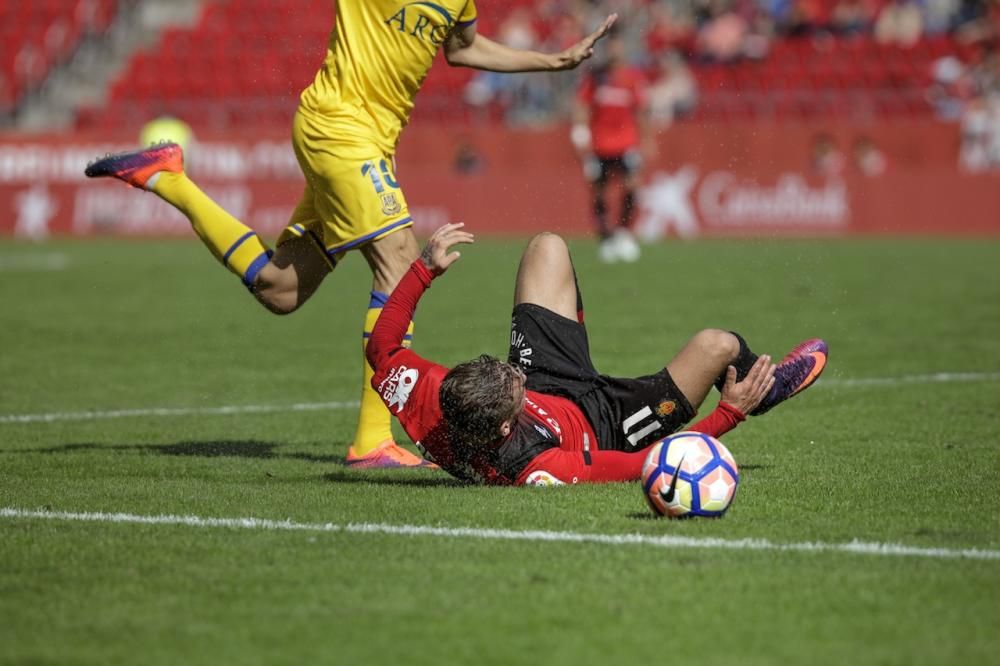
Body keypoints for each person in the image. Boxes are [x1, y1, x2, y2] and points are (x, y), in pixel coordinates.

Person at [85, 3, 618, 469]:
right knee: (401, 258)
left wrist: (554, 62)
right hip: (338, 128)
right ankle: (372, 441)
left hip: (368, 142)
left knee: (280, 288)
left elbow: (465, 48)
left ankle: (167, 178)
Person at [367, 223, 829, 485]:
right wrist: (730, 412)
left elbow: (381, 346)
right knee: (718, 346)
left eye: (504, 369)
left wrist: (423, 270)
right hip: (606, 426)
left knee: (546, 246)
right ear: (507, 425)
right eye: (512, 384)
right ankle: (763, 393)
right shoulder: (534, 465)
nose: (514, 374)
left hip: (550, 382)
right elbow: (642, 465)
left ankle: (569, 346)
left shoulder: (430, 394)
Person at [571, 28, 650, 264]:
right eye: (612, 46)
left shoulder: (633, 78)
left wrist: (646, 141)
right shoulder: (595, 78)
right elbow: (582, 109)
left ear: (625, 48)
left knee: (632, 186)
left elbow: (642, 111)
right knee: (600, 191)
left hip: (626, 144)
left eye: (619, 45)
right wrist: (581, 139)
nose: (615, 50)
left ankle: (624, 233)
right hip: (600, 145)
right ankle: (606, 238)